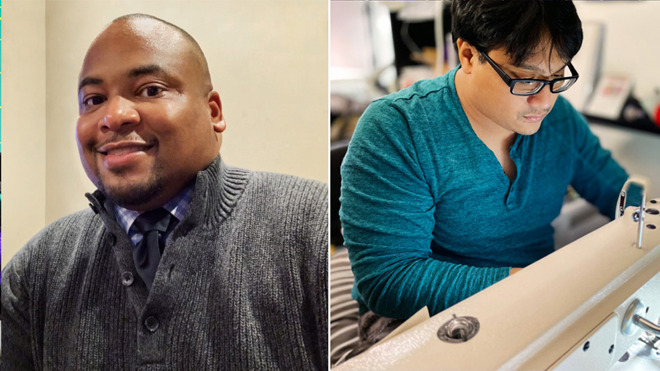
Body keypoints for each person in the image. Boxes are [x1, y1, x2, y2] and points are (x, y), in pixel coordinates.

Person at [1, 14, 328, 370]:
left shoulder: (312, 228)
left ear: (213, 111)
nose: (115, 115)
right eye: (94, 100)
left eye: (151, 90)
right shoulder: (36, 269)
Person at [339, 0, 631, 349]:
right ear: (468, 55)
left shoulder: (561, 120)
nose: (544, 102)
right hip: (417, 312)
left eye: (557, 77)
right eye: (526, 79)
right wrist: (530, 285)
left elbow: (622, 193)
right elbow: (389, 278)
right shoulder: (396, 129)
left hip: (532, 297)